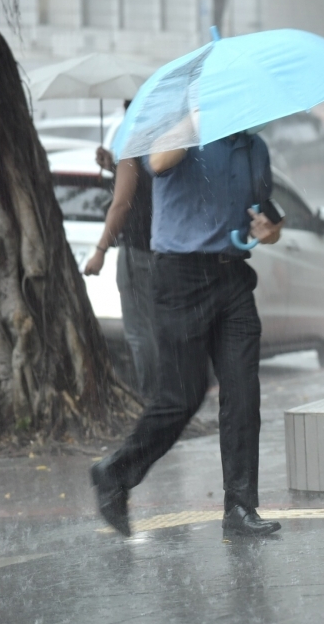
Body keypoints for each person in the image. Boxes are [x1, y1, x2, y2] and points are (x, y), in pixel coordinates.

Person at [90, 119, 285, 538]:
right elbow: (158, 163)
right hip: (180, 279)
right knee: (182, 396)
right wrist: (195, 117)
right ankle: (115, 474)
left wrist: (269, 232)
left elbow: (267, 216)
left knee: (243, 393)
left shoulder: (256, 149)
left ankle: (240, 508)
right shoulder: (181, 137)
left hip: (233, 279)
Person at [84, 102, 158, 404]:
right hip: (167, 250)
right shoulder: (168, 145)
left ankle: (151, 402)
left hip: (138, 251)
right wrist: (114, 167)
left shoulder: (134, 145)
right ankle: (170, 397)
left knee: (141, 333)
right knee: (161, 329)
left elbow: (122, 204)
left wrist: (100, 250)